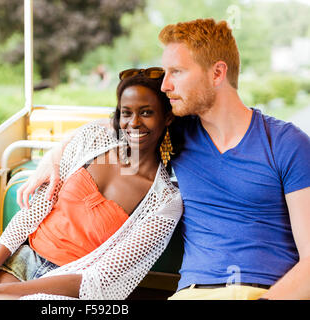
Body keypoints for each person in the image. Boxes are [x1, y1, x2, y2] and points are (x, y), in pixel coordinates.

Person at [20, 18, 310, 300]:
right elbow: (101, 129)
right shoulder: (174, 131)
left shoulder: (287, 144)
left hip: (265, 291)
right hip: (193, 293)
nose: (165, 85)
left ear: (217, 73)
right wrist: (52, 161)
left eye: (177, 72)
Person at [0, 70, 183, 299]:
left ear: (167, 117)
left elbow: (100, 279)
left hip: (70, 286)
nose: (133, 123)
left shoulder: (164, 202)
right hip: (21, 263)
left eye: (146, 113)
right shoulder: (92, 140)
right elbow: (31, 214)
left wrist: (4, 292)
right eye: (126, 113)